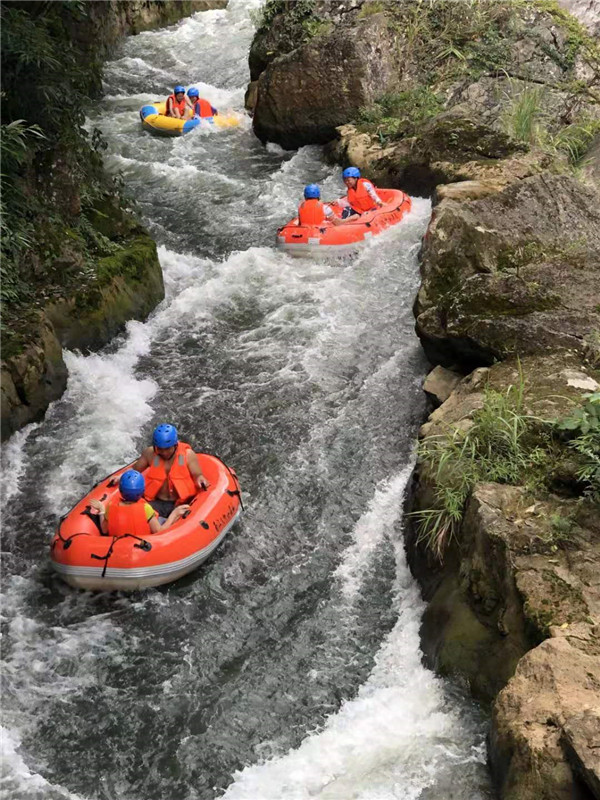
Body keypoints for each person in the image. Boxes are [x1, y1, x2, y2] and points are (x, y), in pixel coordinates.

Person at [131, 423, 209, 521]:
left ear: (175, 445)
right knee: (140, 519)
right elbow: (134, 471)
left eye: (167, 449)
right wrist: (120, 477)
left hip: (181, 503)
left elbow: (198, 475)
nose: (164, 452)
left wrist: (200, 479)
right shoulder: (149, 453)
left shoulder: (187, 455)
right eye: (160, 449)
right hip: (156, 502)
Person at [89, 470, 188, 537]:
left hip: (119, 544)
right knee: (165, 520)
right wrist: (175, 513)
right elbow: (159, 531)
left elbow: (104, 530)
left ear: (120, 490)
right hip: (142, 544)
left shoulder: (111, 506)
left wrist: (102, 510)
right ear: (142, 491)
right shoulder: (146, 508)